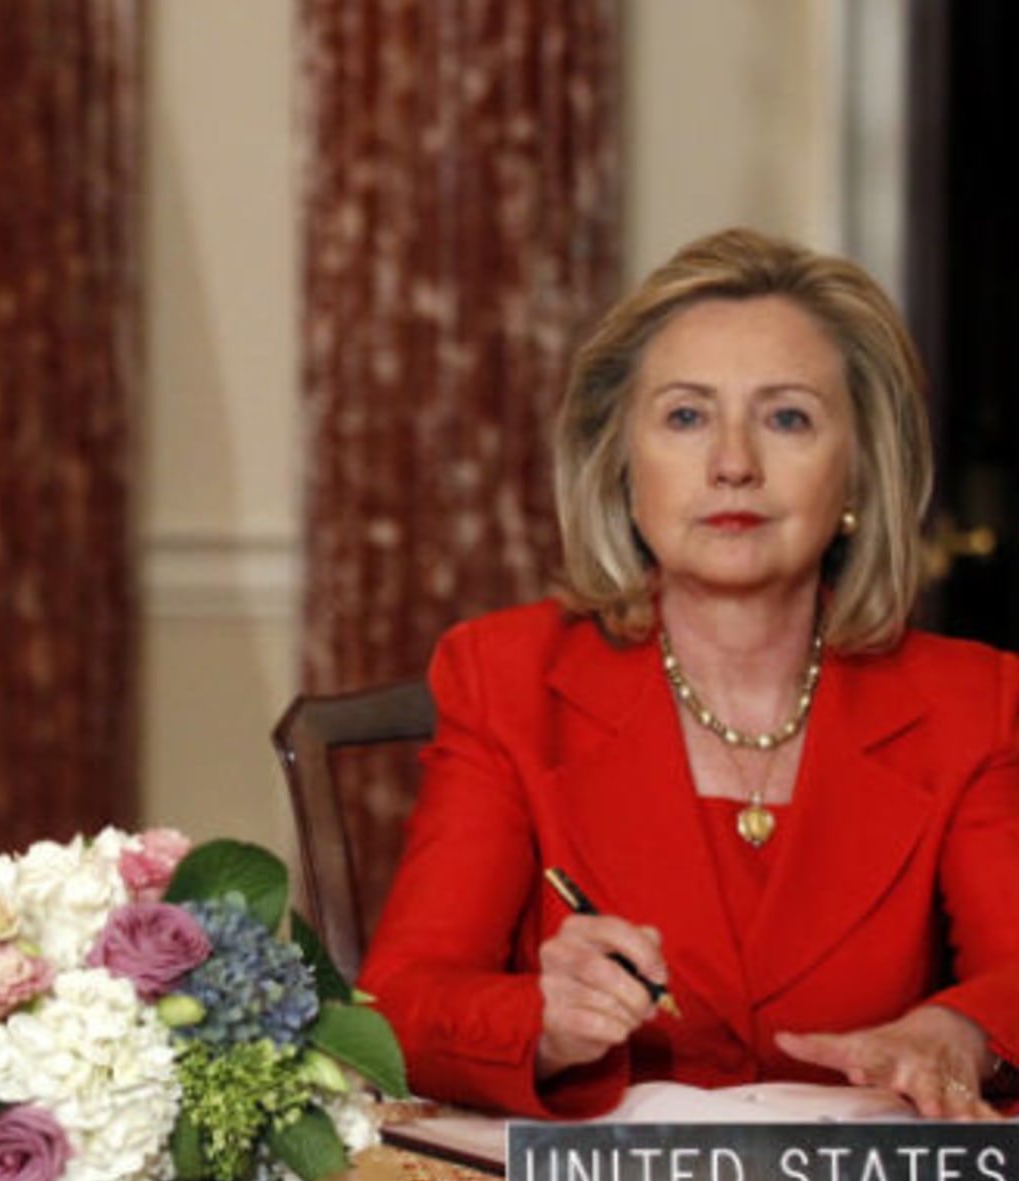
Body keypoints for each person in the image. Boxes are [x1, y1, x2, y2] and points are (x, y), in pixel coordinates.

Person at [357, 227, 1019, 1121]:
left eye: (788, 417)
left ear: (860, 467)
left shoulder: (973, 701)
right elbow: (397, 1003)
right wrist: (543, 1024)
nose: (734, 464)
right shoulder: (505, 678)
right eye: (685, 416)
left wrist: (962, 1032)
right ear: (623, 468)